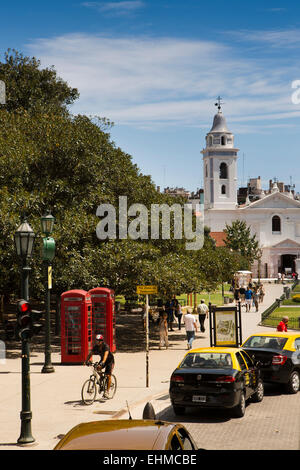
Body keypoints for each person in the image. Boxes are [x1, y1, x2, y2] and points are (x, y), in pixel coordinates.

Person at [85, 334, 115, 399]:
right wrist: (86, 361)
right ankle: (102, 377)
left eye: (98, 340)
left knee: (108, 375)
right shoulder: (96, 347)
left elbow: (105, 356)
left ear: (101, 341)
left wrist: (102, 362)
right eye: (96, 340)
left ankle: (107, 391)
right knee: (96, 368)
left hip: (110, 361)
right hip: (103, 360)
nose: (97, 342)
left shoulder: (105, 346)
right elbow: (90, 354)